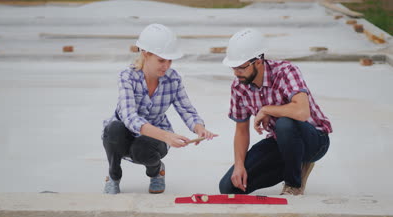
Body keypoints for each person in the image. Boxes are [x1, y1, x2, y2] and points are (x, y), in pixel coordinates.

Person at [102, 24, 217, 194]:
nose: (166, 66)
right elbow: (129, 117)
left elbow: (186, 110)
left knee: (141, 148)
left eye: (170, 60)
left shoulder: (173, 79)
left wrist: (199, 128)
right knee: (113, 129)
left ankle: (156, 172)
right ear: (146, 54)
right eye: (162, 60)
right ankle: (113, 176)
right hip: (125, 134)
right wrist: (168, 136)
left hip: (152, 140)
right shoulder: (127, 77)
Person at [219, 28, 332, 196]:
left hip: (314, 140)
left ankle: (293, 183)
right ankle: (294, 164)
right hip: (281, 143)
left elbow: (302, 112)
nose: (236, 73)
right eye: (233, 67)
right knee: (230, 188)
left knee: (284, 123)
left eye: (241, 67)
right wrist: (239, 166)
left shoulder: (285, 71)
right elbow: (241, 131)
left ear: (258, 61)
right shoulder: (238, 87)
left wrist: (267, 109)